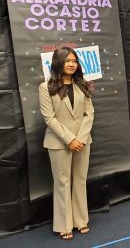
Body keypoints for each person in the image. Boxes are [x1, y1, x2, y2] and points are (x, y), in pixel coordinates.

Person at [38, 47, 94, 240]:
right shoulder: (46, 87)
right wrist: (70, 139)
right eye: (67, 60)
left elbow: (89, 113)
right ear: (57, 62)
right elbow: (49, 118)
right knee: (62, 183)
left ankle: (81, 221)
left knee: (80, 180)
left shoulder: (83, 85)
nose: (71, 64)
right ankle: (64, 225)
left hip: (83, 141)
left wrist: (81, 138)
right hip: (58, 143)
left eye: (74, 60)